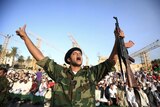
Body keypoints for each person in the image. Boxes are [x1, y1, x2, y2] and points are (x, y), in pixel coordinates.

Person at [16, 24, 125, 107]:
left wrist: (117, 40)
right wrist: (25, 37)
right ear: (68, 59)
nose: (78, 55)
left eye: (80, 54)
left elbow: (111, 61)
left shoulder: (91, 73)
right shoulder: (59, 72)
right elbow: (40, 57)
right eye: (75, 53)